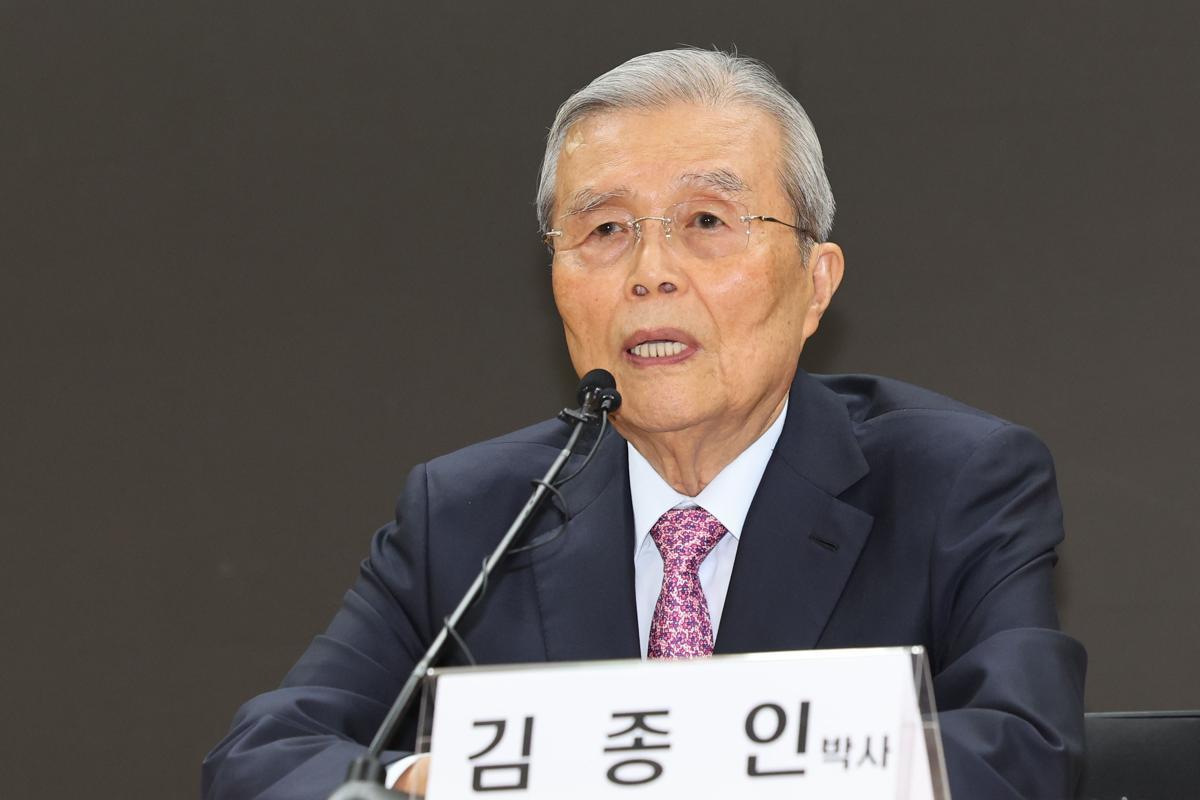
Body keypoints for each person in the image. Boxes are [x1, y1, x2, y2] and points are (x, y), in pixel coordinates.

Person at [203, 48, 1086, 799]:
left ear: (815, 284)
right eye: (605, 230)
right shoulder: (471, 515)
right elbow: (264, 758)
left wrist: (615, 773)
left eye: (706, 220)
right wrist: (428, 783)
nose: (650, 272)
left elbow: (1019, 753)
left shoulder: (956, 482)